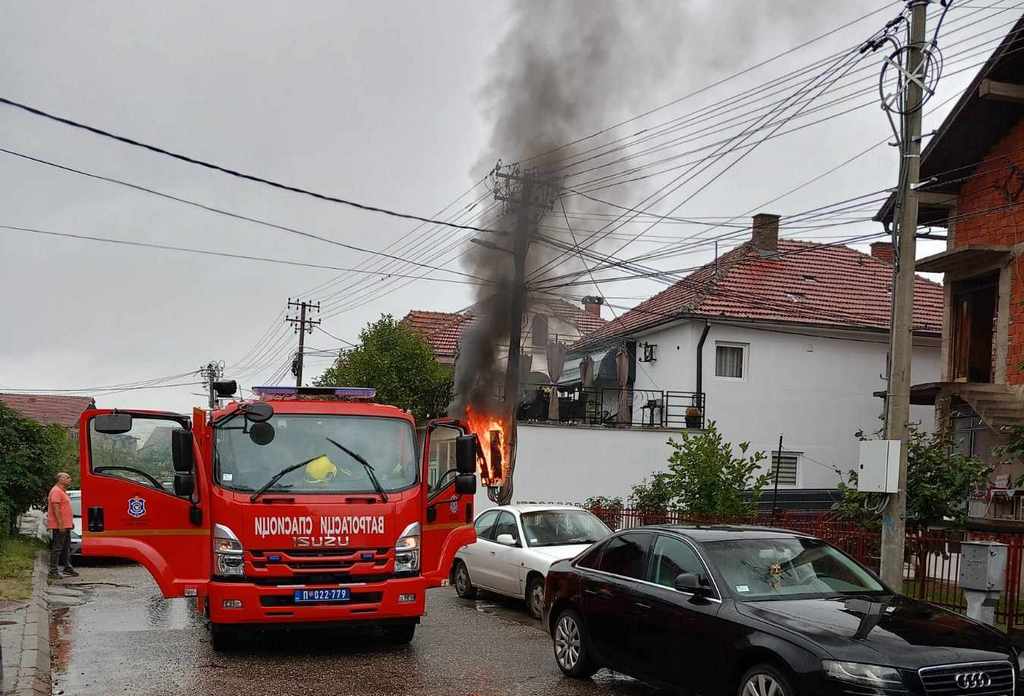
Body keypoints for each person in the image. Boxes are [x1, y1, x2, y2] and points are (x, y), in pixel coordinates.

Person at [47, 472, 78, 580]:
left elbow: (65, 509)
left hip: (66, 524)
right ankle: (53, 571)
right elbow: (56, 509)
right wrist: (61, 524)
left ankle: (67, 567)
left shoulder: (62, 491)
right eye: (67, 477)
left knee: (65, 547)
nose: (70, 479)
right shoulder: (56, 491)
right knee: (57, 548)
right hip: (59, 525)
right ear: (60, 479)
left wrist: (70, 522)